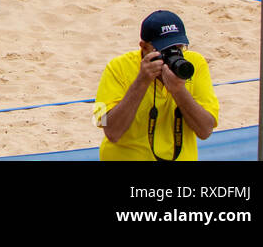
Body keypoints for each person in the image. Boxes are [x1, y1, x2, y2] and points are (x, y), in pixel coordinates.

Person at [93, 10, 219, 161]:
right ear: (144, 47)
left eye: (178, 48)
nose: (173, 56)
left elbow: (205, 130)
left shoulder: (194, 64)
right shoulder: (116, 67)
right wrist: (142, 81)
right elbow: (111, 132)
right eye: (165, 50)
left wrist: (179, 90)